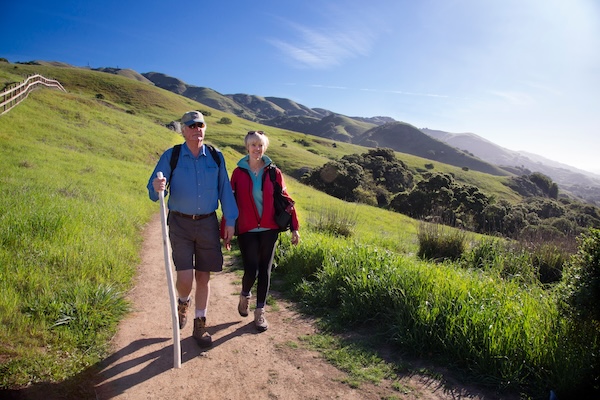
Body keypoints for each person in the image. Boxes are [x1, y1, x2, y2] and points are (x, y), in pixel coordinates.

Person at [147, 110, 238, 348]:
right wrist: (157, 186)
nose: (197, 129)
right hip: (180, 223)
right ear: (184, 130)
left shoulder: (216, 157)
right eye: (192, 125)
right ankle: (183, 302)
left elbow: (224, 190)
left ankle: (200, 323)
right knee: (185, 277)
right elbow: (154, 189)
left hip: (207, 222)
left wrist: (230, 219)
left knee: (204, 277)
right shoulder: (173, 155)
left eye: (201, 125)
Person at [226, 130, 300, 332]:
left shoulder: (274, 172)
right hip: (247, 227)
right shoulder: (238, 173)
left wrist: (294, 227)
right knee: (251, 269)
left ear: (264, 148)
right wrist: (227, 226)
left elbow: (286, 199)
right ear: (247, 147)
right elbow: (230, 202)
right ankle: (244, 295)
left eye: (260, 145)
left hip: (270, 228)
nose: (257, 149)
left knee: (265, 271)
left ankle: (260, 313)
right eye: (253, 145)